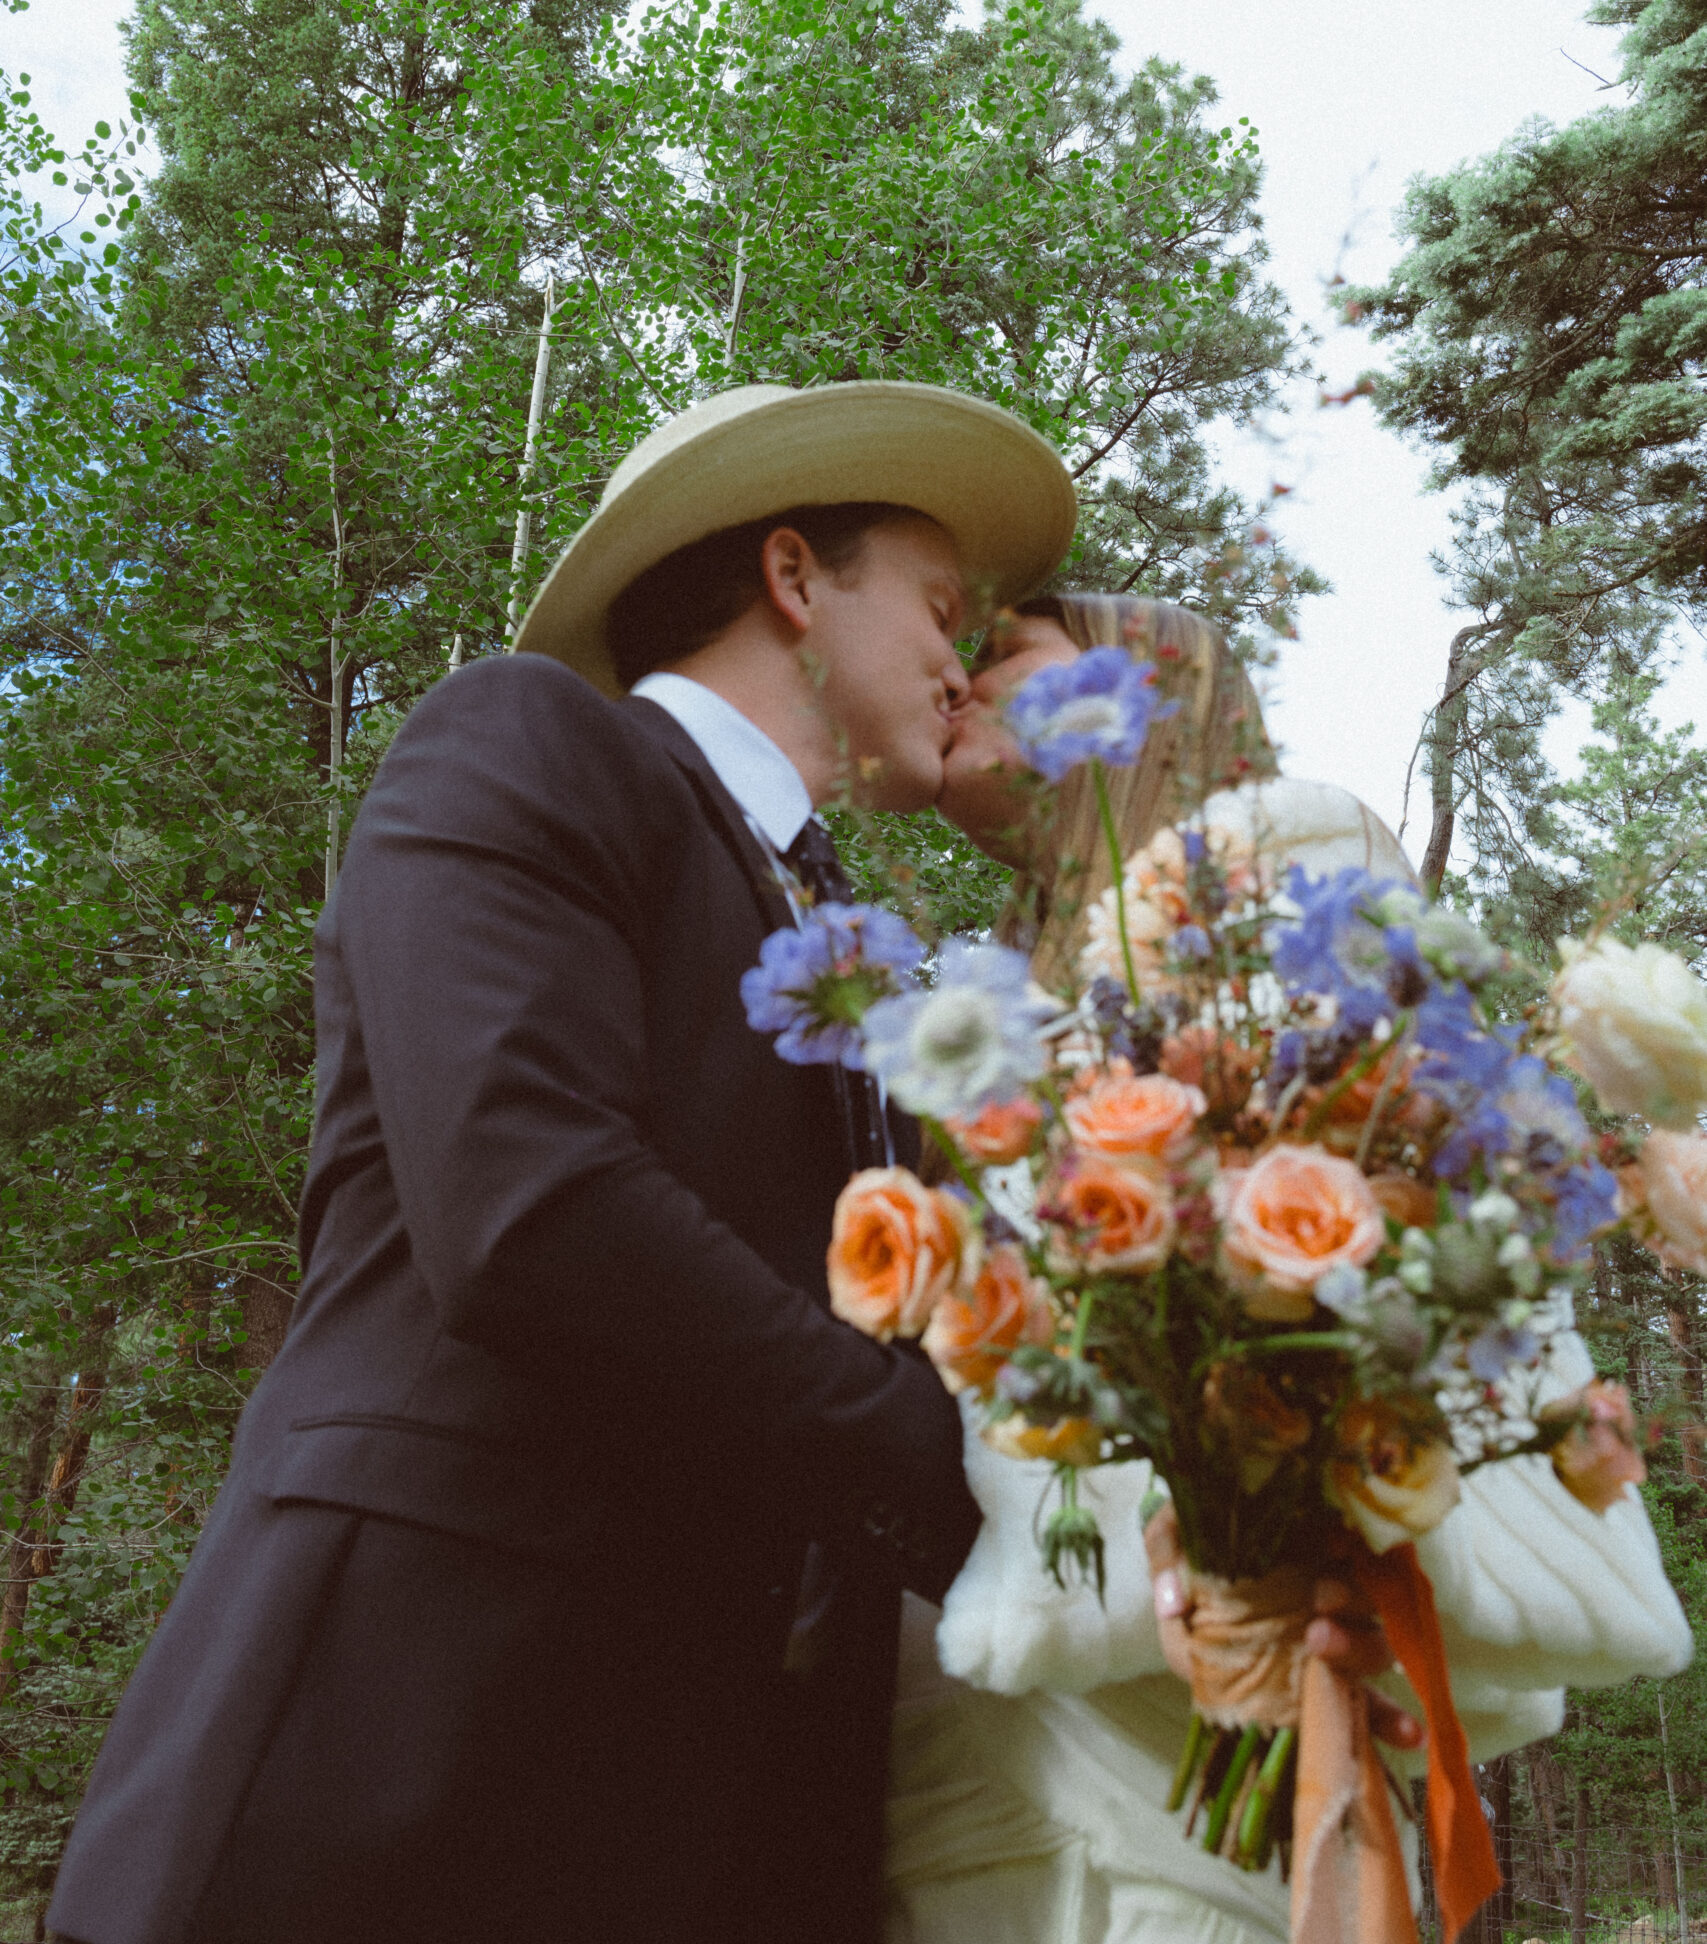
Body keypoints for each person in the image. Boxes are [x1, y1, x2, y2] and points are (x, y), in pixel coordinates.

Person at [48, 379, 1078, 1944]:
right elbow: (536, 1209)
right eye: (941, 609)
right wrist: (963, 1480)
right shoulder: (533, 742)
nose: (960, 663)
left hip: (725, 1803)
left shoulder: (873, 953)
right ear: (796, 577)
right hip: (415, 1737)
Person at [885, 594, 1692, 1944]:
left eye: (1003, 653)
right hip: (972, 1774)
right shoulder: (1015, 999)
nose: (954, 685)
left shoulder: (1297, 885)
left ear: (1146, 692)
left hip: (1161, 1810)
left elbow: (1376, 1311)